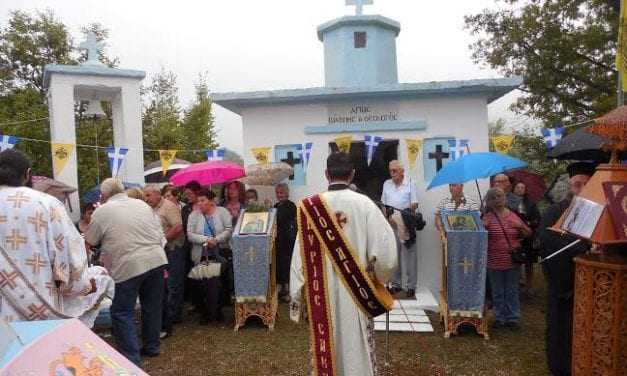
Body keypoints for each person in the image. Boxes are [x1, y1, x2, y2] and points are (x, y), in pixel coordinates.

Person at [290, 152, 397, 376]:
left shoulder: (310, 208)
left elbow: (298, 259)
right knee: (357, 347)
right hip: (358, 292)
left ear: (326, 174)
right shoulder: (365, 204)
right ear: (353, 174)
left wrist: (297, 297)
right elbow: (386, 254)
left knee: (327, 346)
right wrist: (379, 278)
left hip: (322, 295)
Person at [0, 149, 113, 327]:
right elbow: (69, 260)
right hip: (40, 307)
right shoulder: (47, 204)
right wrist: (82, 285)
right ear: (28, 174)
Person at [84, 178, 168, 365]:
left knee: (122, 311)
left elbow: (89, 239)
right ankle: (152, 346)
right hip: (156, 258)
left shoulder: (102, 211)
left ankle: (131, 357)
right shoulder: (141, 204)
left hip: (128, 264)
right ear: (122, 190)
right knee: (152, 306)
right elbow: (157, 230)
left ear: (104, 195)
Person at [537, 162, 595, 376]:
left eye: (585, 185)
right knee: (561, 328)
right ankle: (561, 367)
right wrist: (582, 249)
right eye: (576, 185)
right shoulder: (556, 211)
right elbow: (546, 240)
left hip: (595, 286)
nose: (579, 190)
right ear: (570, 187)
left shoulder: (601, 212)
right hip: (564, 283)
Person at [482, 187, 531, 330]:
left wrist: (520, 227)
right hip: (493, 260)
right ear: (490, 201)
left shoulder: (513, 216)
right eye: (494, 197)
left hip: (511, 260)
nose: (498, 199)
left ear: (505, 198)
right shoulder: (487, 218)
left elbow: (528, 233)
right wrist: (483, 227)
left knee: (511, 290)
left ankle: (513, 318)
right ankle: (499, 317)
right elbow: (480, 238)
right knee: (497, 291)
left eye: (500, 196)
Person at [144, 185, 185, 338]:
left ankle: (174, 317)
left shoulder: (169, 206)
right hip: (160, 251)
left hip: (173, 249)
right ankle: (168, 316)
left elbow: (178, 227)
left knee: (173, 283)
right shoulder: (149, 208)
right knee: (165, 285)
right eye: (145, 196)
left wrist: (162, 240)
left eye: (148, 195)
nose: (146, 198)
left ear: (157, 194)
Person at [187, 189, 233, 322]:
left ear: (211, 201)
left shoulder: (222, 212)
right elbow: (190, 235)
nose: (200, 203)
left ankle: (217, 312)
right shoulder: (194, 215)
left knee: (217, 283)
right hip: (202, 254)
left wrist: (216, 240)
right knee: (204, 284)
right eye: (198, 201)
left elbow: (229, 229)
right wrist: (206, 239)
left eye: (203, 200)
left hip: (219, 252)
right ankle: (206, 313)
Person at [381, 160, 419, 298]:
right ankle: (396, 284)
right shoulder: (387, 184)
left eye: (395, 171)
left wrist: (403, 216)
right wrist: (387, 218)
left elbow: (414, 203)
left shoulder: (410, 183)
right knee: (394, 255)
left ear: (402, 171)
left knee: (410, 255)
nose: (392, 174)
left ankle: (411, 286)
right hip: (391, 223)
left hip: (406, 223)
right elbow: (383, 204)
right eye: (390, 171)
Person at [511, 181, 541, 296]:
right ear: (514, 189)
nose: (520, 189)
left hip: (528, 236)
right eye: (518, 187)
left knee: (529, 262)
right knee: (515, 261)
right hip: (514, 236)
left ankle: (529, 286)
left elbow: (537, 218)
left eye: (522, 187)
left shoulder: (530, 204)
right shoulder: (508, 203)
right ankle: (516, 285)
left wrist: (527, 223)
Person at [273, 183, 297, 302]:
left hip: (288, 240)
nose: (279, 195)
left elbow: (283, 218)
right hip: (277, 240)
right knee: (278, 264)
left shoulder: (291, 205)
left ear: (287, 193)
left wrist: (276, 211)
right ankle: (279, 288)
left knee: (287, 264)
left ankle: (288, 290)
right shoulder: (275, 205)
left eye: (281, 192)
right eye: (277, 193)